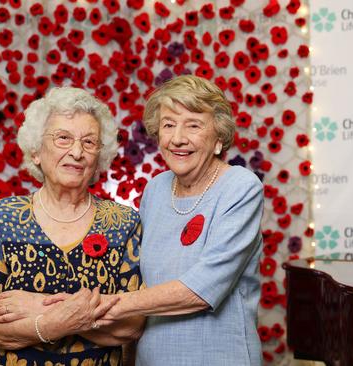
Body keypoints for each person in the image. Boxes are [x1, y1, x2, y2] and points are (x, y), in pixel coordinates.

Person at [94, 75, 264, 365]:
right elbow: (142, 282)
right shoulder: (156, 189)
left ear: (219, 138)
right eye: (168, 125)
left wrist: (103, 305)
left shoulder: (240, 187)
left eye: (194, 125)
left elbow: (202, 289)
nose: (178, 139)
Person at [0, 87, 145, 365]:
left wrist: (40, 308)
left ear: (99, 156)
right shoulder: (2, 217)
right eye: (63, 138)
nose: (77, 152)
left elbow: (131, 325)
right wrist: (60, 323)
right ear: (36, 151)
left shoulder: (122, 223)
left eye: (89, 142)